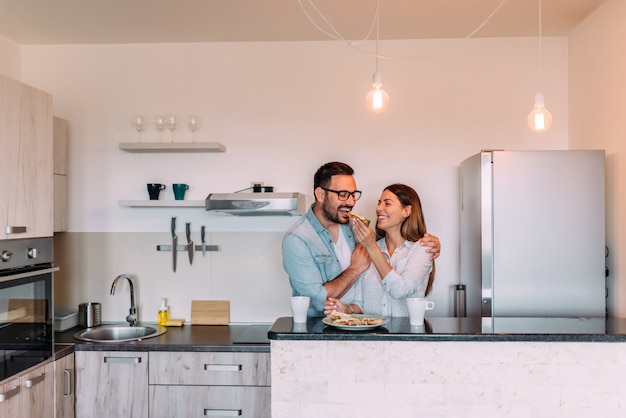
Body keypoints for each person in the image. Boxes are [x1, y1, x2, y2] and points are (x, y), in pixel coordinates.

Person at [282, 162, 440, 317]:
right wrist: (355, 269)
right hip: (320, 327)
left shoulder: (354, 226)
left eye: (353, 194)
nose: (351, 202)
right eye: (343, 194)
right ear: (321, 194)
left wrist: (432, 243)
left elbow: (390, 247)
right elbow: (318, 299)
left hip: (359, 326)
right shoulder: (297, 239)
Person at [324, 183, 435, 317]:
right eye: (379, 203)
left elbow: (400, 289)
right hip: (373, 336)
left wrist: (371, 247)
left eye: (387, 203)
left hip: (406, 335)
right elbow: (360, 302)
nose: (378, 208)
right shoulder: (368, 249)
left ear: (407, 211)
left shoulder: (422, 249)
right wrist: (347, 309)